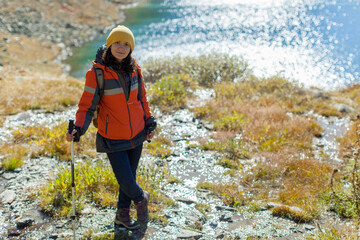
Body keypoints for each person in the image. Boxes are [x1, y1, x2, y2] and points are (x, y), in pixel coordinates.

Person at [66, 25, 157, 230]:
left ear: (131, 48)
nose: (121, 48)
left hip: (138, 133)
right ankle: (141, 198)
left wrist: (149, 119)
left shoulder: (135, 69)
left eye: (126, 44)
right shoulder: (96, 73)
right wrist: (78, 128)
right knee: (125, 180)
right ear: (109, 45)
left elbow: (142, 99)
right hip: (113, 136)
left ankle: (122, 217)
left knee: (129, 178)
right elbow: (86, 106)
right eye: (117, 42)